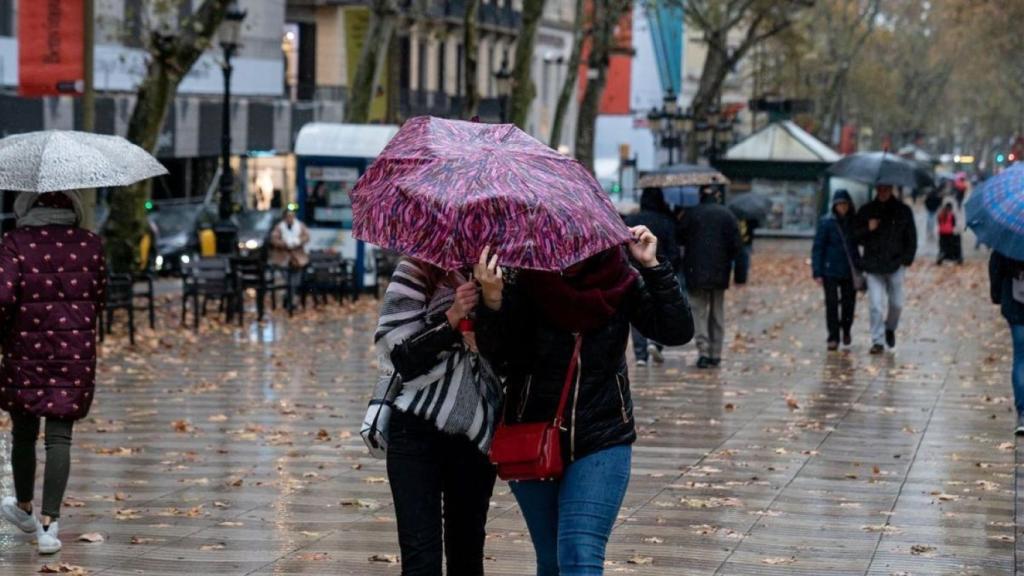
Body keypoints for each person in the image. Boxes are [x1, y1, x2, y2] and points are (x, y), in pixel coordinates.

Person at [474, 229, 693, 576]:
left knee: (579, 556)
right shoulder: (522, 276)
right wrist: (492, 298)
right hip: (531, 434)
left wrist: (653, 266)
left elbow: (676, 330)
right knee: (552, 562)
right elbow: (499, 356)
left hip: (602, 434)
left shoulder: (620, 279)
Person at [361, 258, 502, 575]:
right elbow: (401, 358)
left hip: (474, 432)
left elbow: (519, 356)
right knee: (419, 559)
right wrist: (451, 318)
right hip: (414, 429)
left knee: (467, 556)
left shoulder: (502, 274)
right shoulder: (415, 269)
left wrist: (491, 308)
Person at [0, 191, 106, 555]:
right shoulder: (91, 244)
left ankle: (25, 508)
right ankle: (49, 525)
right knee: (59, 438)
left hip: (23, 352)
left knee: (24, 433)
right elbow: (100, 296)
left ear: (28, 207)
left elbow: (3, 296)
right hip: (73, 354)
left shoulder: (14, 242)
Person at [677, 187, 742, 368]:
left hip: (694, 271)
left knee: (698, 312)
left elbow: (679, 237)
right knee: (717, 312)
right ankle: (716, 353)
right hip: (720, 272)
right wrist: (739, 275)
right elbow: (737, 246)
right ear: (717, 196)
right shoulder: (727, 215)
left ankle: (703, 351)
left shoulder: (691, 214)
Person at [854, 184, 917, 354]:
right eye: (880, 188)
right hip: (873, 265)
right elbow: (855, 236)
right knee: (875, 305)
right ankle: (877, 341)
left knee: (896, 304)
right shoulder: (866, 210)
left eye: (886, 188)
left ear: (892, 189)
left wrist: (906, 259)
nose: (883, 191)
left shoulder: (903, 211)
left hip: (896, 264)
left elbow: (911, 236)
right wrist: (868, 228)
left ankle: (890, 328)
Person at [624, 188, 680, 366]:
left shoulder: (631, 221)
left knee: (637, 309)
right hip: (657, 270)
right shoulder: (666, 221)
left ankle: (640, 354)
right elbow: (674, 250)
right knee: (660, 306)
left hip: (633, 270)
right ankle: (655, 342)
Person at [811, 190, 861, 351]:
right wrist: (817, 271)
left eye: (845, 204)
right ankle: (833, 337)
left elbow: (859, 242)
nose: (842, 207)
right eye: (839, 204)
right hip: (830, 269)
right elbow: (818, 247)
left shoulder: (854, 221)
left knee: (849, 304)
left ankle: (846, 329)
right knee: (831, 304)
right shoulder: (826, 222)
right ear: (834, 205)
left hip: (849, 270)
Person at [989, 251, 1024, 434]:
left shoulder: (1009, 236)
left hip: (1015, 303)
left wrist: (997, 295)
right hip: (1015, 304)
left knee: (1020, 357)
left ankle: (1023, 413)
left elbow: (995, 266)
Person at [269, 209, 310, 309]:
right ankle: (291, 301)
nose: (290, 218)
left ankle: (288, 298)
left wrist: (297, 241)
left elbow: (306, 237)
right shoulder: (279, 227)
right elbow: (274, 239)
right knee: (288, 280)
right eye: (288, 216)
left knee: (296, 280)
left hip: (298, 258)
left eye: (292, 216)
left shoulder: (300, 226)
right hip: (283, 257)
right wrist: (285, 244)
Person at [732, 217, 758, 286]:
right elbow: (755, 225)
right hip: (745, 242)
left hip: (741, 242)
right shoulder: (751, 217)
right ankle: (741, 278)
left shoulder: (733, 216)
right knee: (745, 260)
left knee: (741, 259)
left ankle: (739, 278)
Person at [936, 201, 963, 265]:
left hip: (941, 232)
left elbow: (939, 222)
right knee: (950, 244)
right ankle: (953, 256)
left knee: (942, 245)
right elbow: (954, 224)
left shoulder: (940, 214)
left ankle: (942, 254)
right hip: (949, 232)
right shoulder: (951, 215)